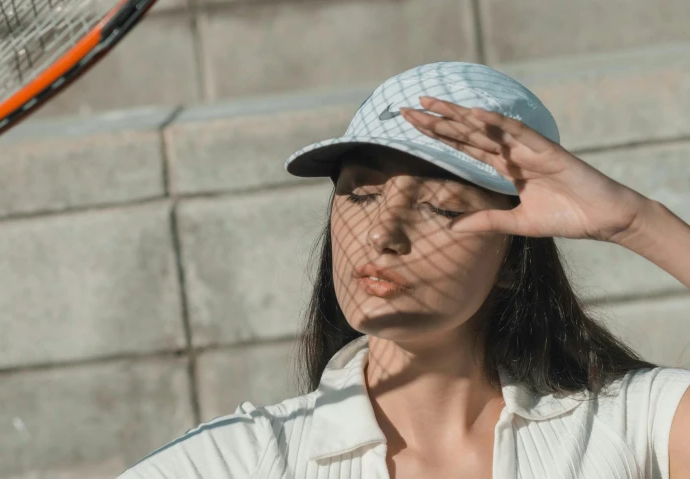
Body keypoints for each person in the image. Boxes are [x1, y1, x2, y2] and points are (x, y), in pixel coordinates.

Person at [117, 62, 690, 478]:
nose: (381, 234)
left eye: (440, 205)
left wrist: (635, 222)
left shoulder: (628, 426)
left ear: (515, 258)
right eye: (361, 195)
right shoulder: (248, 458)